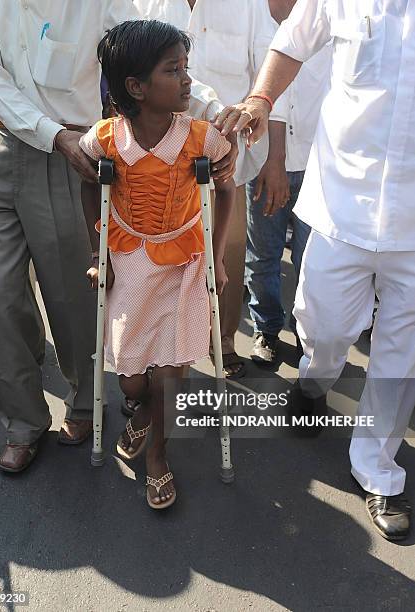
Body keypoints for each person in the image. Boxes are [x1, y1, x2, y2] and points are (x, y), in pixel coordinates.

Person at [215, 0, 414, 540]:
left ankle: (378, 468)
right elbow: (291, 42)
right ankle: (313, 380)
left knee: (402, 347)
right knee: (323, 325)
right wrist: (260, 98)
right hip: (342, 203)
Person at [0, 0, 139, 473]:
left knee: (67, 292)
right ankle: (23, 423)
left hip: (69, 153)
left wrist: (208, 102)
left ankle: (85, 402)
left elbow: (146, 48)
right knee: (1, 296)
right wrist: (53, 135)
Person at [80, 20, 235, 509]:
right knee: (131, 377)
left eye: (185, 68)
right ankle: (144, 412)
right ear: (136, 87)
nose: (188, 80)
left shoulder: (200, 138)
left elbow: (226, 188)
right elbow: (89, 181)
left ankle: (158, 457)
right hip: (130, 257)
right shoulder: (106, 138)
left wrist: (219, 253)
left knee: (171, 369)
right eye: (175, 70)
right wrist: (96, 249)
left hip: (186, 258)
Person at [136, 0, 286, 378]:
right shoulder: (143, 4)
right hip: (156, 162)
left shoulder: (248, 6)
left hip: (226, 160)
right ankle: (155, 361)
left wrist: (251, 128)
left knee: (226, 255)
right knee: (157, 260)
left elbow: (269, 74)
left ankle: (223, 340)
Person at [246, 0, 332, 365]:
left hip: (320, 166)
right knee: (264, 254)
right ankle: (265, 328)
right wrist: (273, 161)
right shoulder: (251, 14)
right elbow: (264, 98)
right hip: (265, 163)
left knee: (310, 259)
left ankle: (306, 336)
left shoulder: (329, 18)